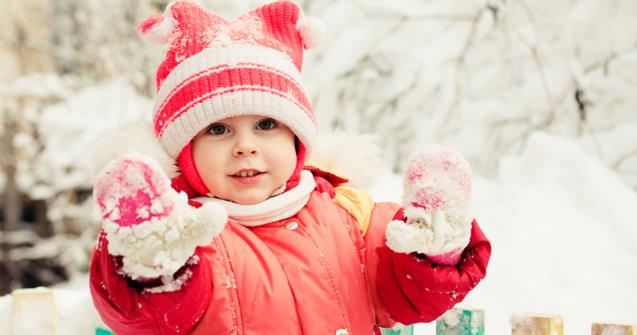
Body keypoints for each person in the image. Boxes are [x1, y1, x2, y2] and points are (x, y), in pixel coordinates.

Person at [89, 1, 491, 334]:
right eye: (218, 129)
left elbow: (409, 297)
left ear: (297, 141)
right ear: (184, 153)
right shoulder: (190, 238)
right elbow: (153, 318)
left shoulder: (351, 220)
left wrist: (437, 250)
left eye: (266, 125)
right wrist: (154, 259)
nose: (245, 146)